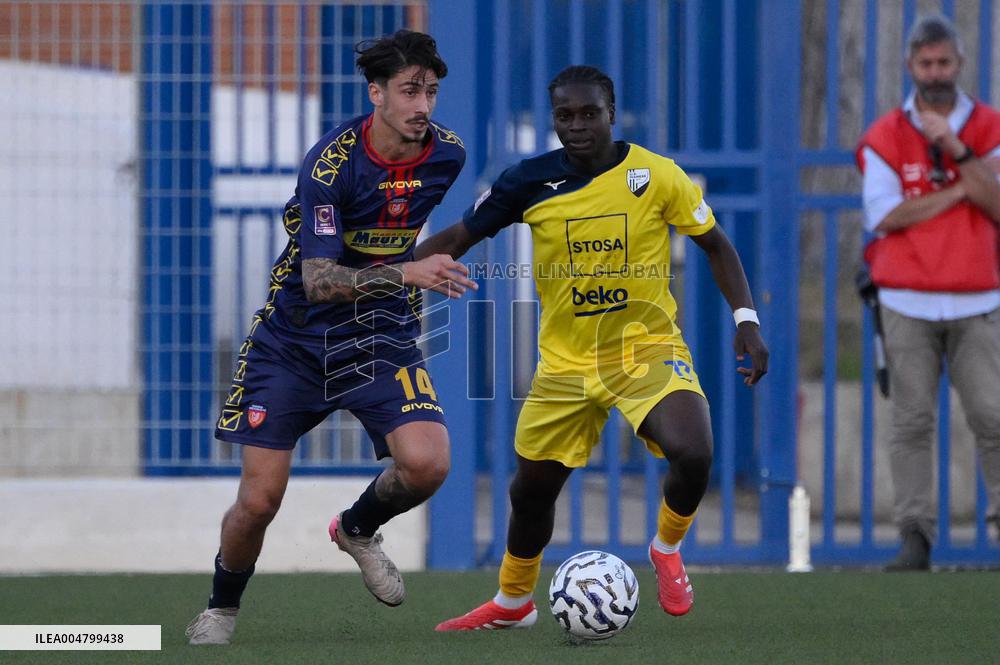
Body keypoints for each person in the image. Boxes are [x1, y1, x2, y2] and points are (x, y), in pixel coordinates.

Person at [421, 65, 769, 630]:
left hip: (646, 351)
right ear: (554, 118)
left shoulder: (657, 176)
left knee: (694, 451)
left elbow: (717, 245)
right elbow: (460, 237)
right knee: (530, 491)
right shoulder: (526, 182)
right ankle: (513, 602)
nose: (577, 125)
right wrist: (396, 272)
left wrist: (747, 320)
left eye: (589, 114)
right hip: (565, 364)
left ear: (612, 114)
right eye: (565, 116)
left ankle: (665, 547)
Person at [186, 30, 477, 645]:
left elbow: (397, 227)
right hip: (293, 340)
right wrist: (407, 271)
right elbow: (318, 282)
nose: (423, 105)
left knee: (427, 465)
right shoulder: (332, 166)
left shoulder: (448, 155)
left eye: (431, 91)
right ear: (376, 94)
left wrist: (413, 269)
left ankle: (357, 528)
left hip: (379, 333)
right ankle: (221, 608)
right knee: (260, 500)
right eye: (409, 91)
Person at [856, 14, 1000, 571]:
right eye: (926, 64)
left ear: (959, 64)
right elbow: (885, 215)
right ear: (911, 67)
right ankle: (915, 537)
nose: (935, 73)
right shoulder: (884, 135)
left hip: (977, 298)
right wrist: (963, 191)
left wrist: (959, 154)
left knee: (992, 418)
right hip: (906, 300)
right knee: (911, 422)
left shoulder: (988, 126)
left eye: (944, 62)